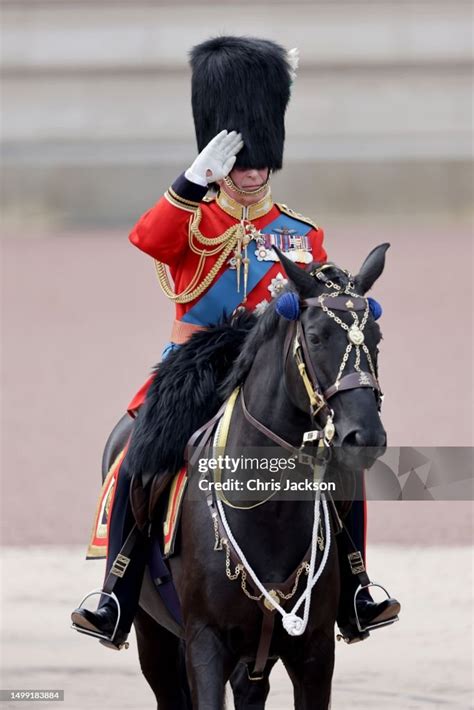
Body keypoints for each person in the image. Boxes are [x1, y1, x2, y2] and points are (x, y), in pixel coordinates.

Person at [71, 36, 400, 650]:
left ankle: (355, 585)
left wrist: (347, 300)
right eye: (241, 162)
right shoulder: (194, 218)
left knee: (339, 468)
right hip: (197, 364)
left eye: (260, 161)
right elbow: (149, 239)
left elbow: (321, 290)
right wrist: (193, 180)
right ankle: (117, 593)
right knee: (134, 455)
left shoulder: (300, 232)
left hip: (274, 368)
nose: (252, 173)